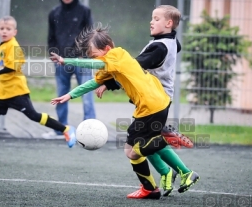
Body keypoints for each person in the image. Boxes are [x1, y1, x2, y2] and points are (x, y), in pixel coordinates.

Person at [49, 23, 198, 199]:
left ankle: (168, 149)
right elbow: (93, 83)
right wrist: (69, 95)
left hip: (151, 105)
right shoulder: (112, 62)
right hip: (154, 103)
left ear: (106, 49)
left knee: (137, 148)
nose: (94, 60)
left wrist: (66, 60)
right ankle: (153, 186)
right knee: (132, 151)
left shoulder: (116, 55)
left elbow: (87, 63)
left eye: (95, 56)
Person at [95, 5, 198, 197]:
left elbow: (132, 68)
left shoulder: (159, 47)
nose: (151, 21)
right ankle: (167, 173)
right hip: (154, 98)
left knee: (135, 147)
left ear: (168, 24)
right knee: (138, 144)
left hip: (155, 99)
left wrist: (108, 82)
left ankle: (179, 172)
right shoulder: (170, 41)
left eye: (157, 19)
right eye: (152, 17)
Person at [0, 16, 76, 162]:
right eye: (2, 28)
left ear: (15, 32)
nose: (4, 31)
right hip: (2, 93)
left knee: (34, 116)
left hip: (16, 92)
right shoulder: (3, 45)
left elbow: (12, 67)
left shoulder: (13, 46)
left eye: (8, 29)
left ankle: (66, 129)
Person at [43, 0, 96, 139]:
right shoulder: (54, 13)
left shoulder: (84, 11)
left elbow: (91, 35)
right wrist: (55, 55)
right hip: (61, 61)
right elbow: (51, 37)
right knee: (61, 94)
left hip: (82, 60)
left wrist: (85, 56)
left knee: (87, 95)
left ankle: (90, 131)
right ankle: (61, 129)